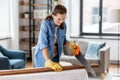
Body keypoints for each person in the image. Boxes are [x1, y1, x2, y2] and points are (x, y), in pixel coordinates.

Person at [34, 4, 80, 72]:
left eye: (63, 19)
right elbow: (43, 43)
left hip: (55, 57)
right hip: (43, 58)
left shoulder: (64, 26)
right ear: (53, 16)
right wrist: (48, 60)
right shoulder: (45, 24)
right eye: (59, 19)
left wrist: (70, 44)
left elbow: (63, 40)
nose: (61, 21)